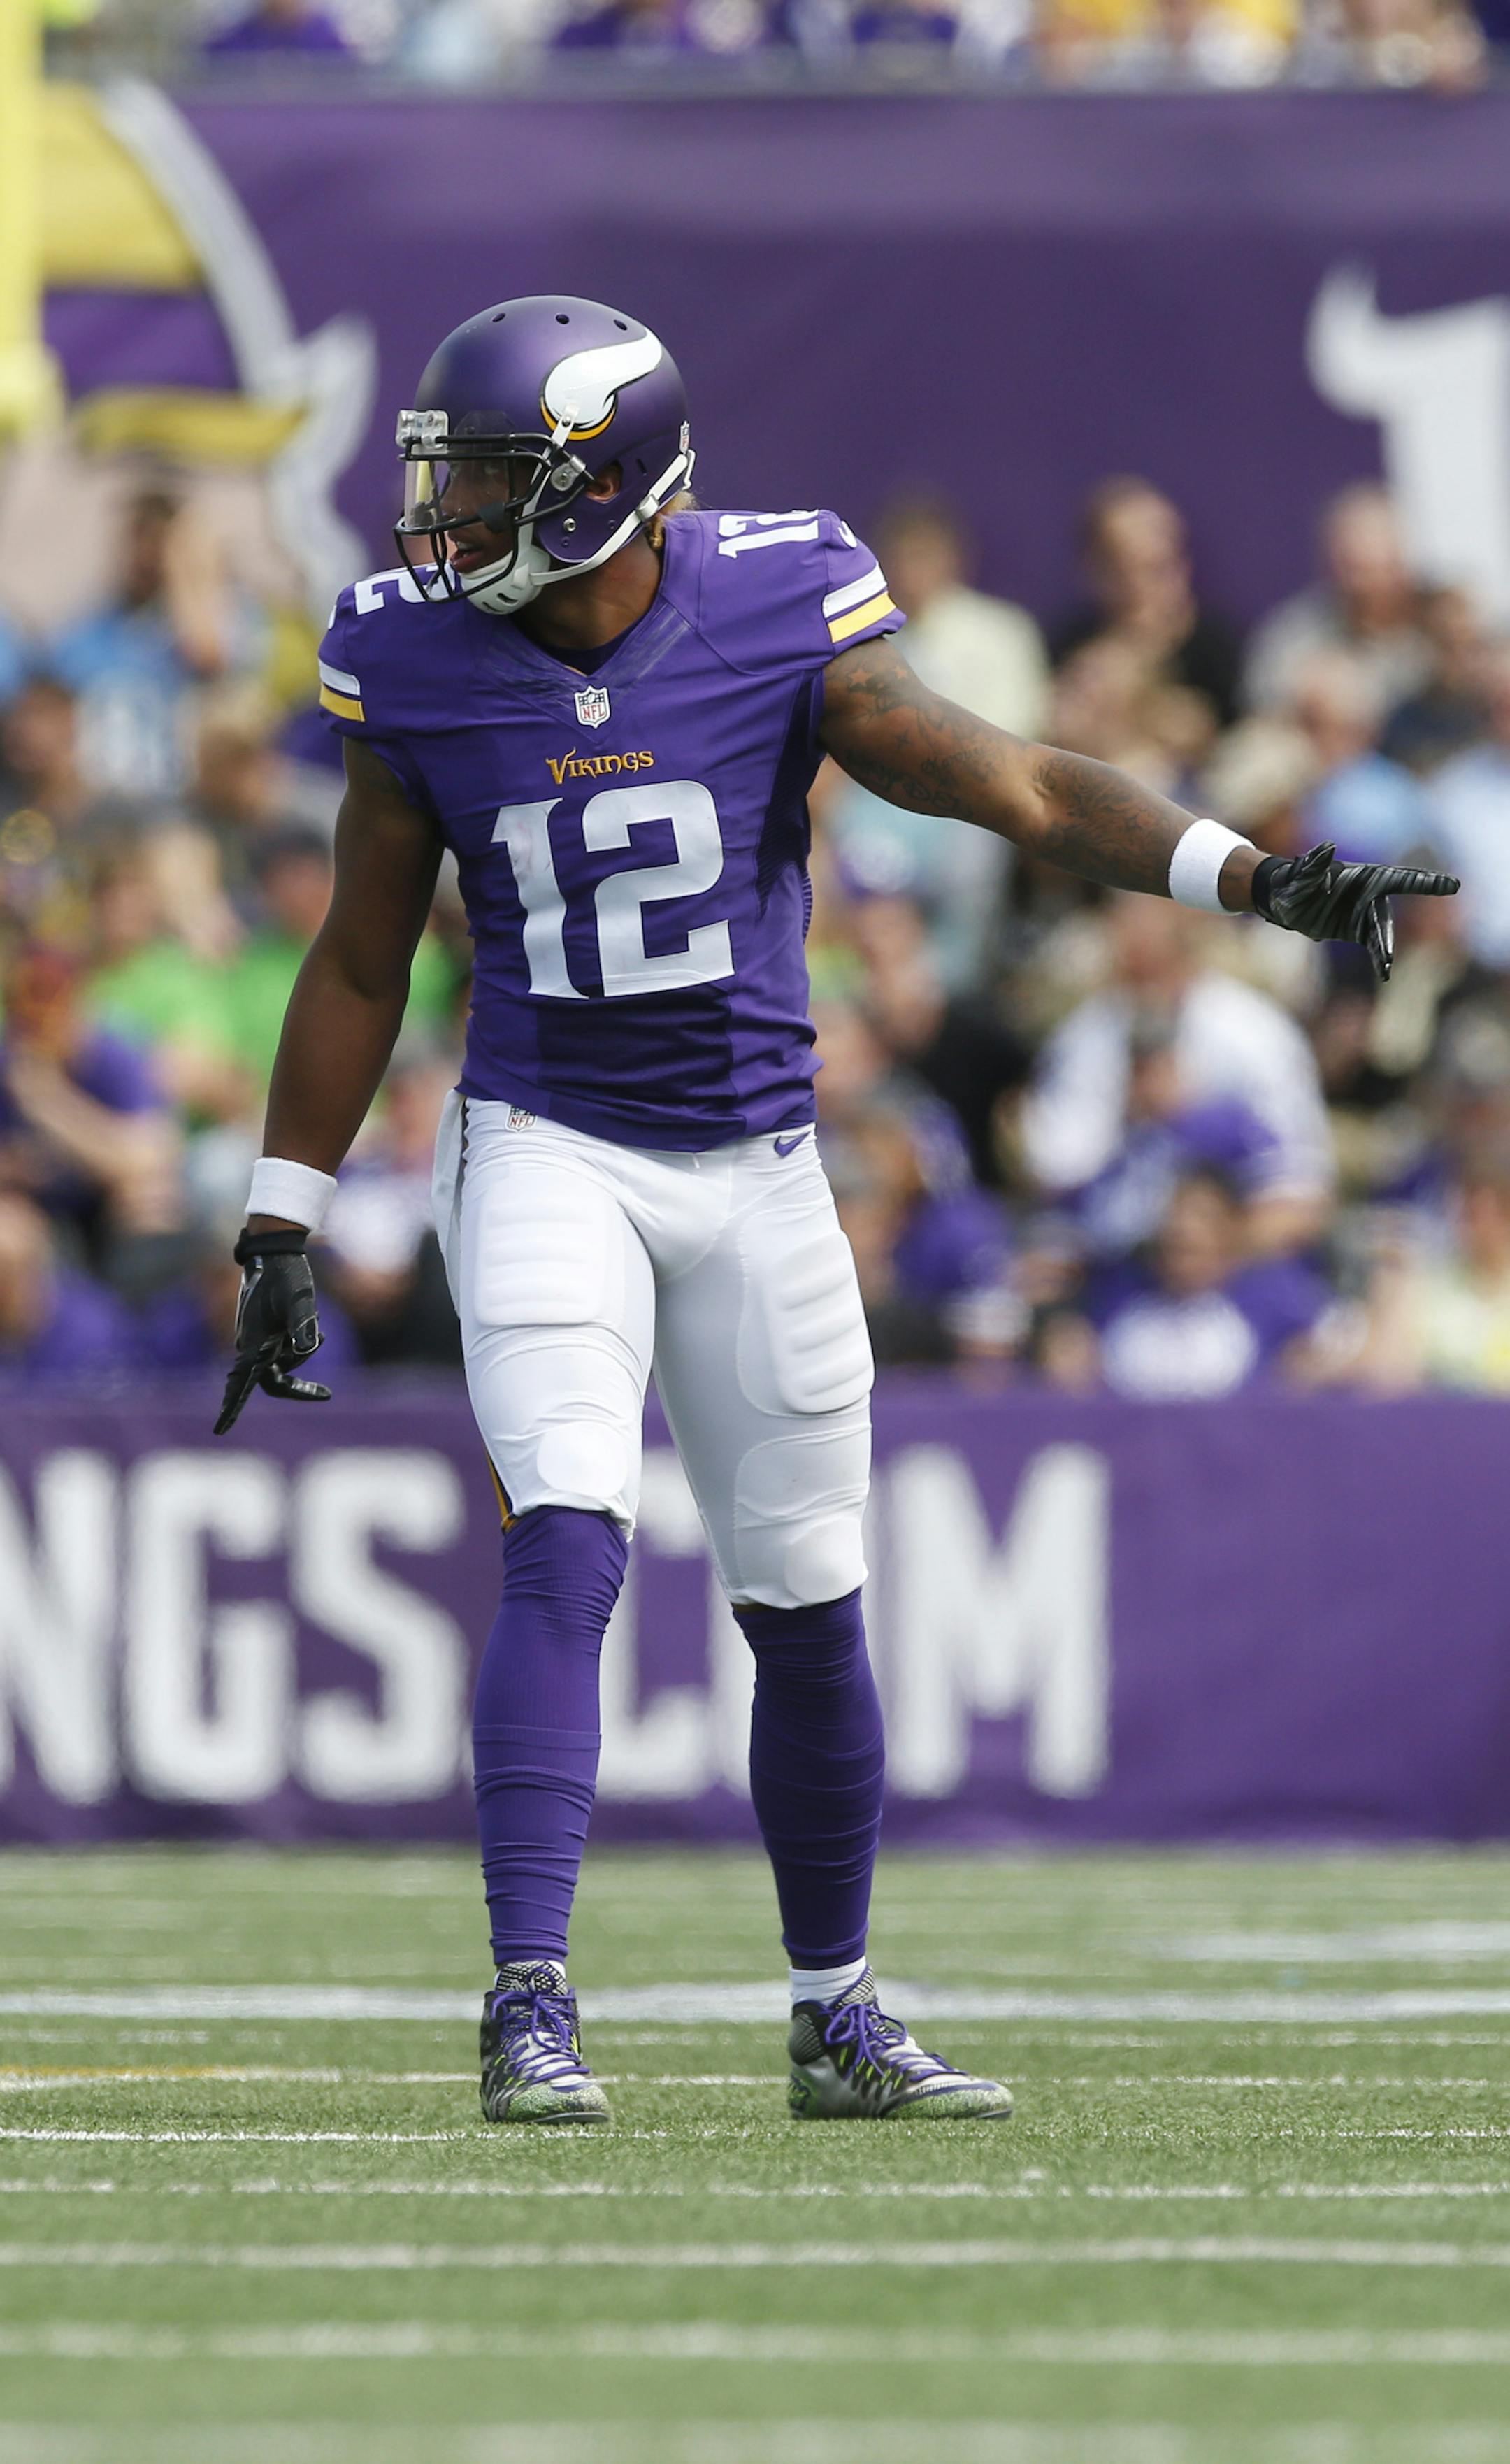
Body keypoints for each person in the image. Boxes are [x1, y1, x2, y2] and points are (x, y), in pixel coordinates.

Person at [210, 292, 1452, 2132]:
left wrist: (1256, 877)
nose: (446, 516)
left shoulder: (784, 603)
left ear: (610, 490)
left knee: (808, 1601)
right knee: (566, 1534)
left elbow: (1019, 783)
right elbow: (359, 952)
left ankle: (833, 2009)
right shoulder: (411, 658)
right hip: (548, 1142)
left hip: (766, 1165)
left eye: (490, 480)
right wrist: (279, 1214)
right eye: (445, 474)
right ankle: (531, 1999)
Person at [1243, 483, 1431, 717]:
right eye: (1358, 570)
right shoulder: (1296, 634)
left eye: (1385, 568)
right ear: (1332, 565)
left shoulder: (1440, 624)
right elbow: (1264, 705)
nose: (1371, 586)